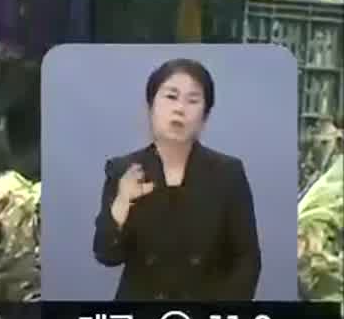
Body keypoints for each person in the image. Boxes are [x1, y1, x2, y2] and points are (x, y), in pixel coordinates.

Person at [92, 58, 261, 301]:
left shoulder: (228, 172)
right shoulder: (123, 169)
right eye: (171, 97)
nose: (180, 109)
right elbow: (106, 255)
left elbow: (248, 260)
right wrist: (122, 203)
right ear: (151, 107)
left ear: (204, 116)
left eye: (192, 100)